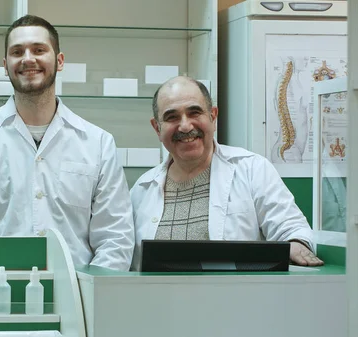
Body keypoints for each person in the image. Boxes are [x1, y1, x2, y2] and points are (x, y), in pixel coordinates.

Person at [0, 15, 134, 271]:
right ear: (5, 64)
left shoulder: (97, 143)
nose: (28, 58)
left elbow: (115, 238)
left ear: (60, 60)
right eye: (17, 51)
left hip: (80, 300)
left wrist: (84, 297)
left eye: (39, 49)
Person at [129, 76, 323, 270]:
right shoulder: (141, 189)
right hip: (159, 299)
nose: (186, 126)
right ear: (157, 128)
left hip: (234, 298)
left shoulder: (253, 170)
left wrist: (297, 245)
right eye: (172, 117)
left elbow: (292, 229)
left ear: (213, 116)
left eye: (194, 112)